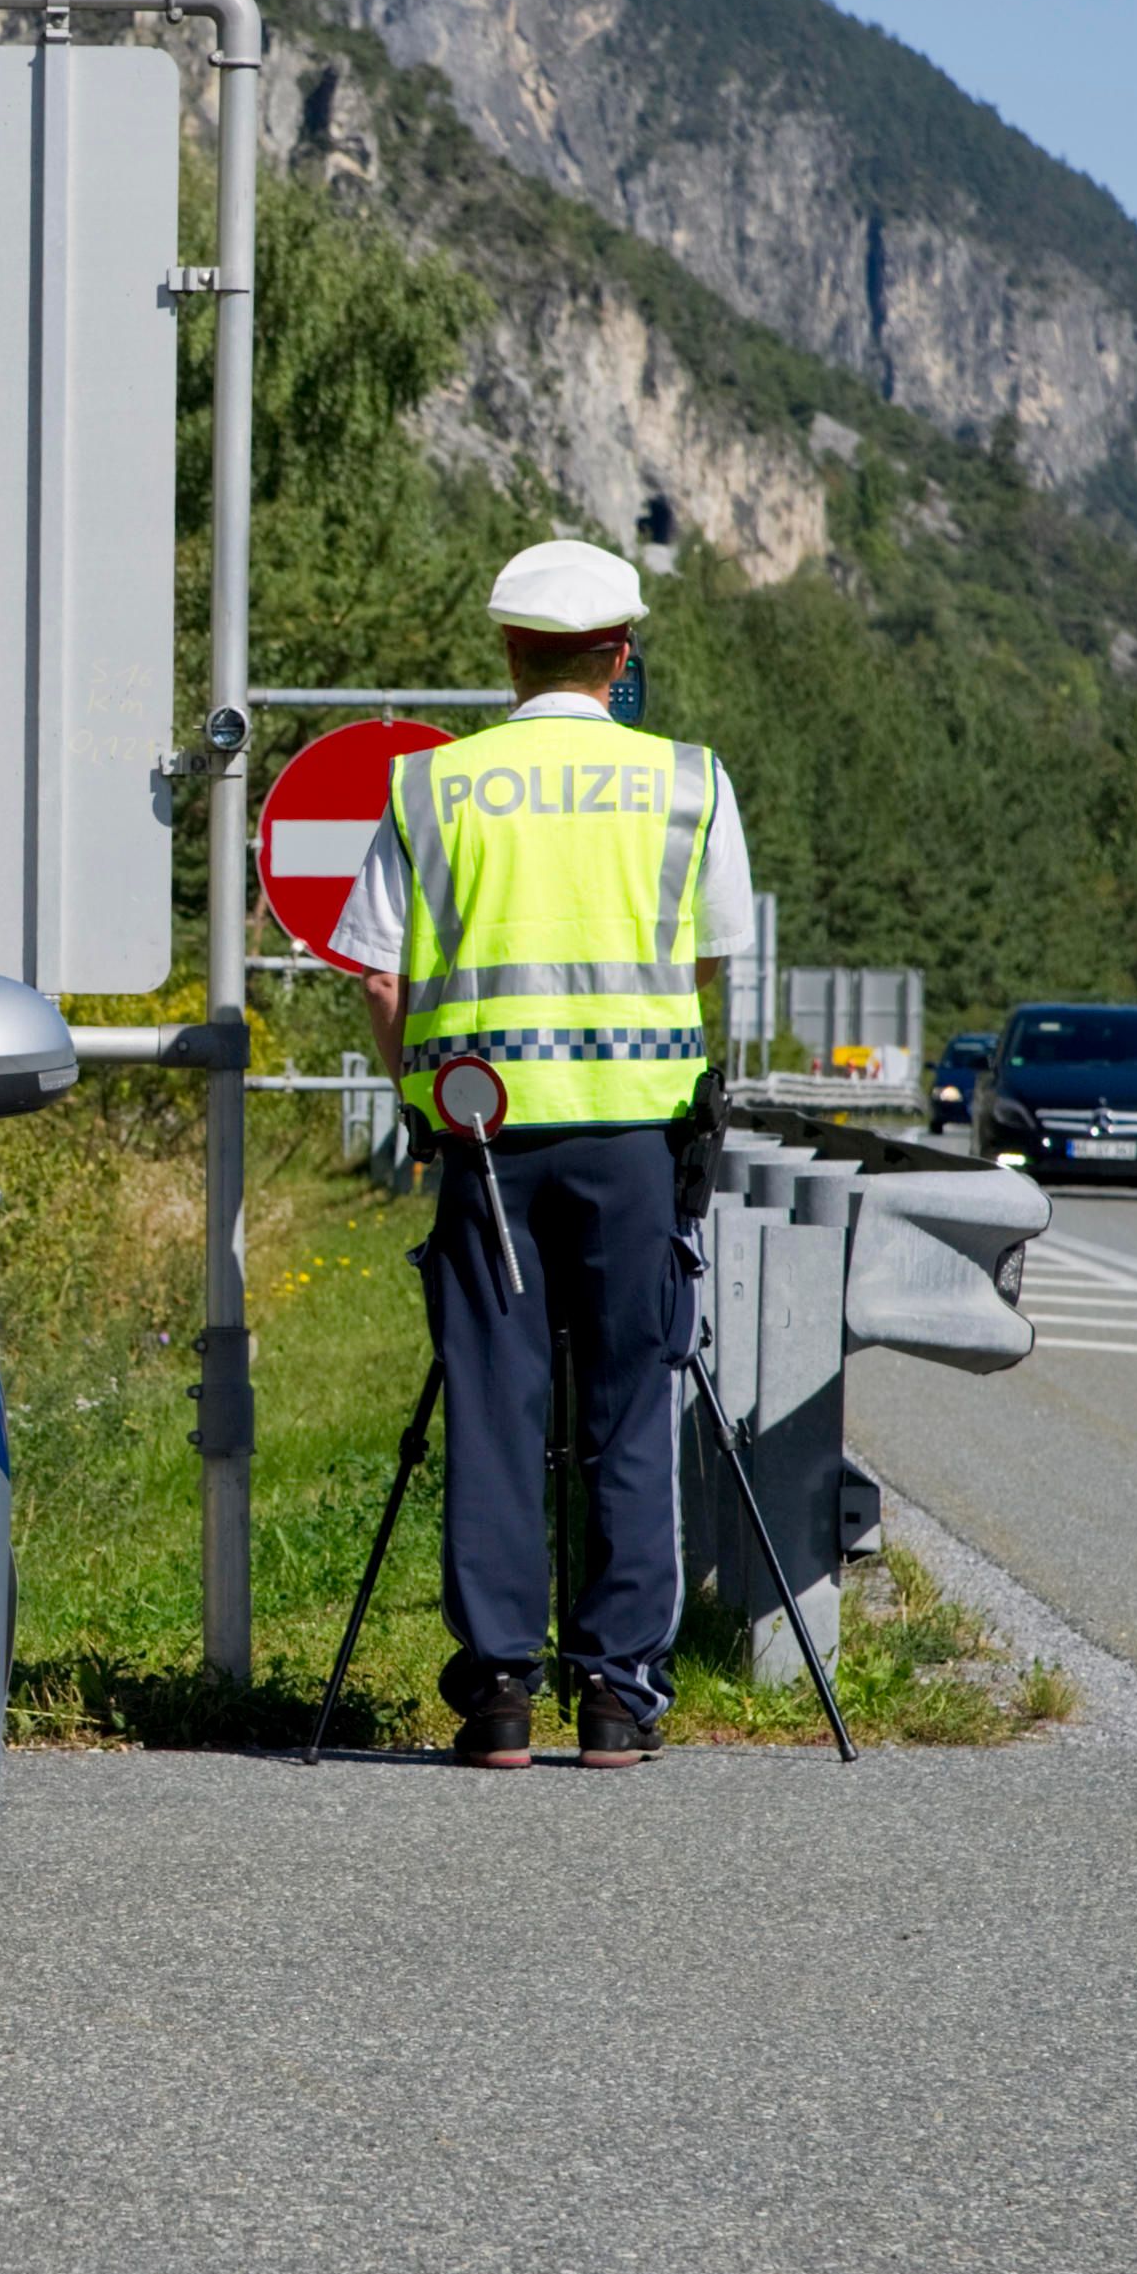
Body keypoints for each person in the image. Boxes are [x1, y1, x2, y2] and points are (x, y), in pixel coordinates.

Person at [331, 537, 753, 1771]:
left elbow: (370, 965)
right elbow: (711, 956)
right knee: (630, 1403)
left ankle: (500, 1694)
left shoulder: (431, 786)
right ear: (619, 656)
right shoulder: (688, 780)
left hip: (481, 1139)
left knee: (493, 1403)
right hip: (632, 1137)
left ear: (508, 652)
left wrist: (422, 1094)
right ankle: (619, 1697)